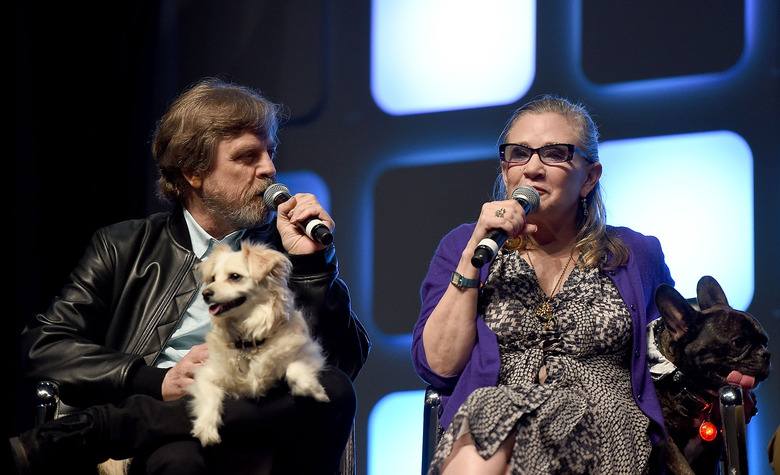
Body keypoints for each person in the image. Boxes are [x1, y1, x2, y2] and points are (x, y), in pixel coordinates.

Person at [10, 78, 370, 475]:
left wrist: (311, 269)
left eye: (270, 151)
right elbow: (43, 348)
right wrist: (154, 380)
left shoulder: (288, 251)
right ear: (194, 173)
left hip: (271, 433)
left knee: (331, 386)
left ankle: (109, 427)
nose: (269, 168)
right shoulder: (125, 246)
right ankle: (138, 423)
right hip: (176, 440)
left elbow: (341, 363)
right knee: (178, 461)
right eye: (247, 156)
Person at [412, 95, 674, 474]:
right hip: (495, 418)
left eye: (554, 153)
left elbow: (674, 349)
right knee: (489, 415)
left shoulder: (635, 253)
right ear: (505, 171)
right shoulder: (466, 246)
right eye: (519, 153)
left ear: (589, 177)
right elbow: (439, 367)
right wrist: (473, 254)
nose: (532, 168)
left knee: (491, 420)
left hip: (605, 426)